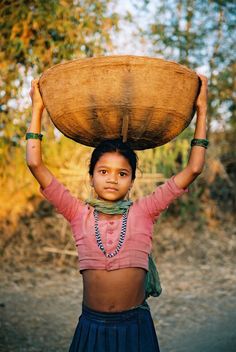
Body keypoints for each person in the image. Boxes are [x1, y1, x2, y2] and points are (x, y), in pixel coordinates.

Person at [26, 74, 208, 352]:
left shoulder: (144, 211)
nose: (112, 179)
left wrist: (202, 109)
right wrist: (37, 108)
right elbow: (35, 164)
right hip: (91, 327)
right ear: (91, 177)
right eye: (103, 171)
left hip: (135, 328)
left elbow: (193, 169)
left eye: (122, 173)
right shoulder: (78, 214)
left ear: (132, 180)